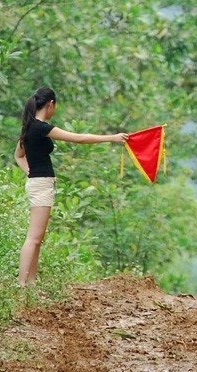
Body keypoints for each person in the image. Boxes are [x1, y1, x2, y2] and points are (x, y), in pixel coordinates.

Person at [13, 87, 128, 287]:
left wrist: (31, 173)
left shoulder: (30, 128)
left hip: (39, 183)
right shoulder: (41, 128)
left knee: (37, 238)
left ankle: (30, 283)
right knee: (33, 238)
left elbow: (18, 156)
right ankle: (21, 284)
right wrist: (112, 138)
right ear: (50, 104)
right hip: (41, 185)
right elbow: (79, 138)